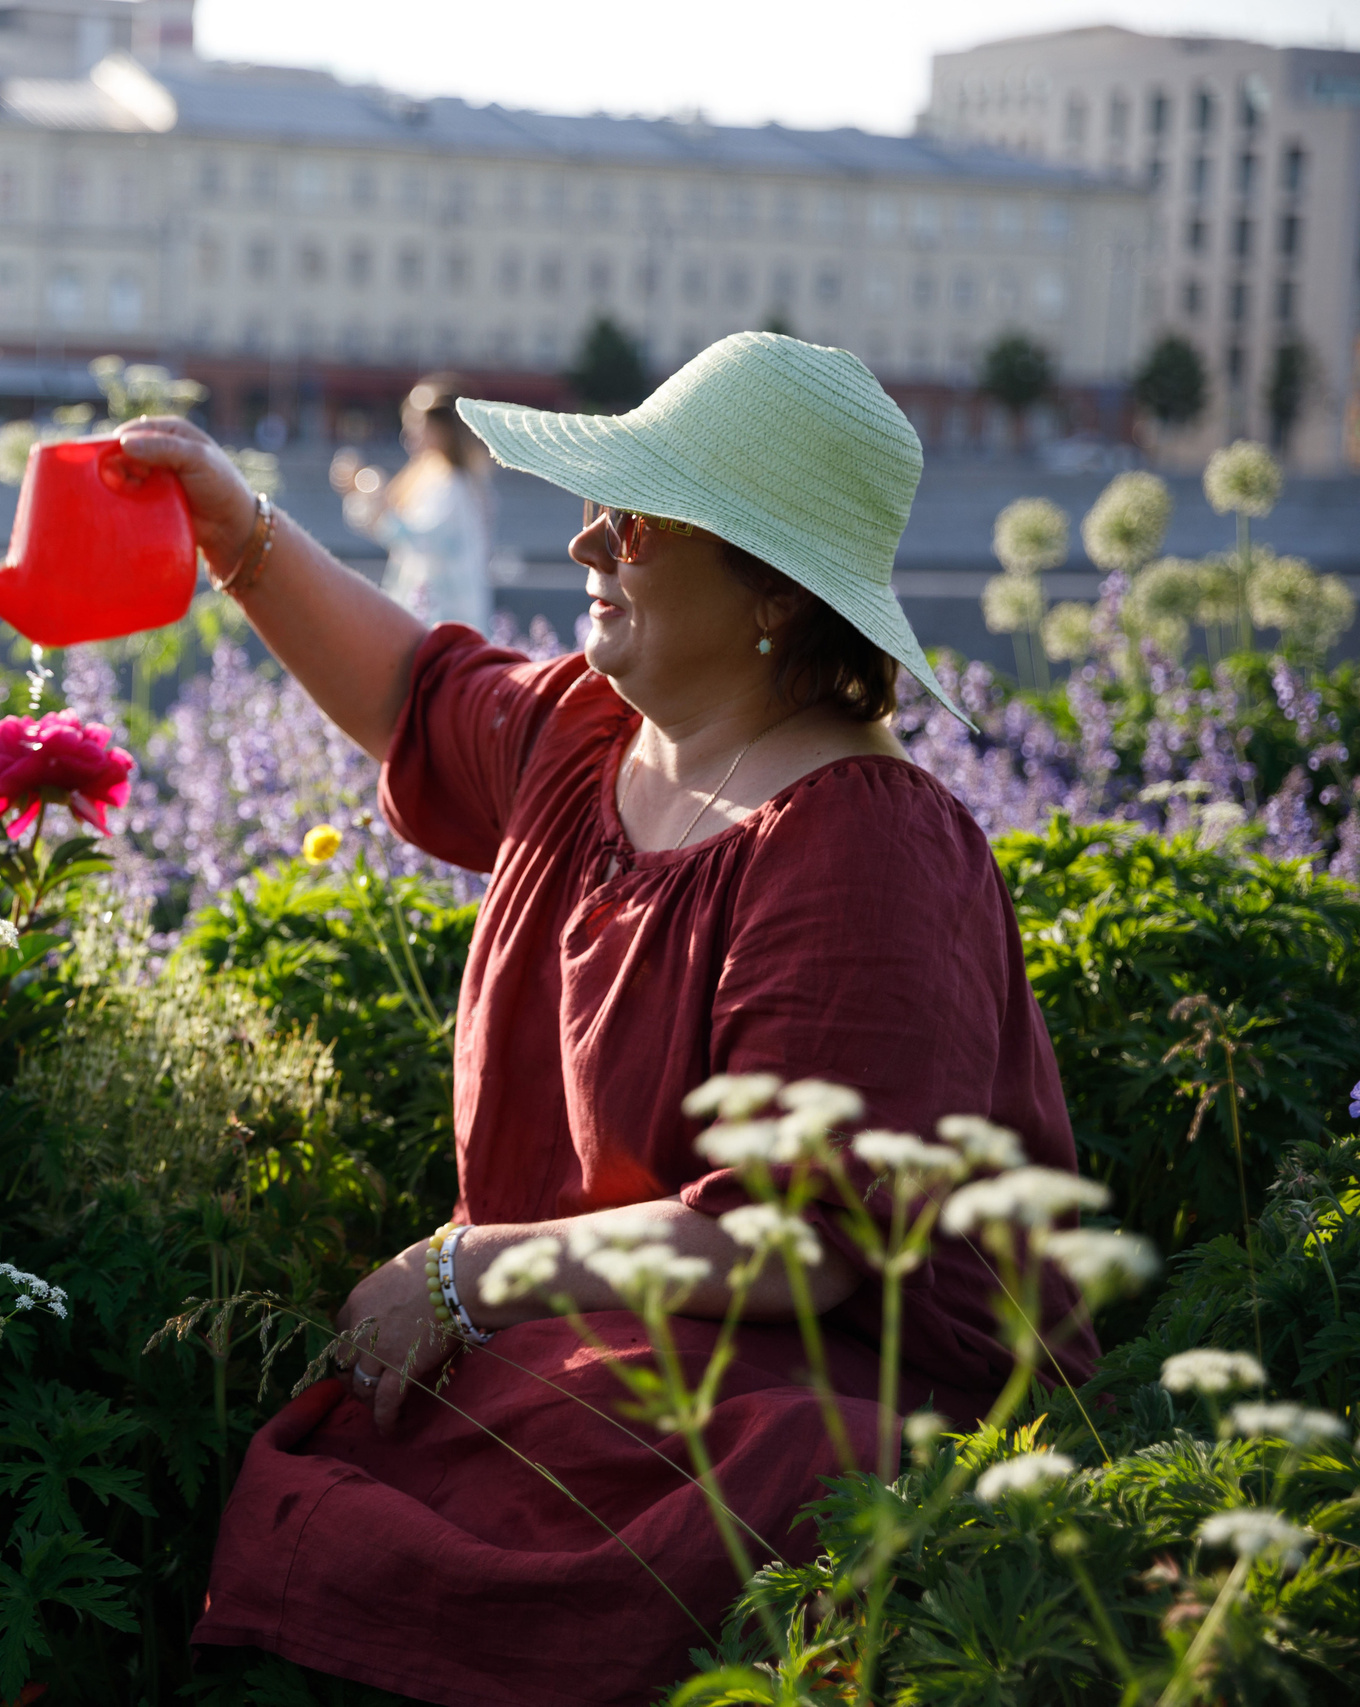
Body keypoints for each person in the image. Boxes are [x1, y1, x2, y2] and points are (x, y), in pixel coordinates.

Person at [114, 333, 1095, 1707]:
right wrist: (237, 526)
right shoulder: (592, 735)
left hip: (800, 1387)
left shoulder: (863, 841)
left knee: (620, 1523)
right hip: (608, 1346)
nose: (584, 543)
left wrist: (467, 1271)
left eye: (632, 521)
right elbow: (415, 694)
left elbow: (797, 1241)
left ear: (769, 588)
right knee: (343, 1495)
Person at [332, 373, 492, 631]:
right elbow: (382, 527)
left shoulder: (453, 484)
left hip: (447, 619)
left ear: (441, 430)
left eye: (416, 425)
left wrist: (374, 498)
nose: (408, 435)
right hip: (425, 611)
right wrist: (360, 492)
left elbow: (419, 539)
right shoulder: (430, 478)